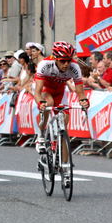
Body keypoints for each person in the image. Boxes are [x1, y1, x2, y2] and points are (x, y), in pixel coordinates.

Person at [34, 42, 89, 181]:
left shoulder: (75, 67)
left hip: (60, 92)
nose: (66, 64)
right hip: (46, 90)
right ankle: (41, 135)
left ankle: (65, 167)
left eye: (68, 61)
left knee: (65, 126)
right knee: (49, 103)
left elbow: (80, 92)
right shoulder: (45, 65)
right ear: (55, 58)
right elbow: (37, 92)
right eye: (63, 61)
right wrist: (40, 103)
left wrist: (83, 101)